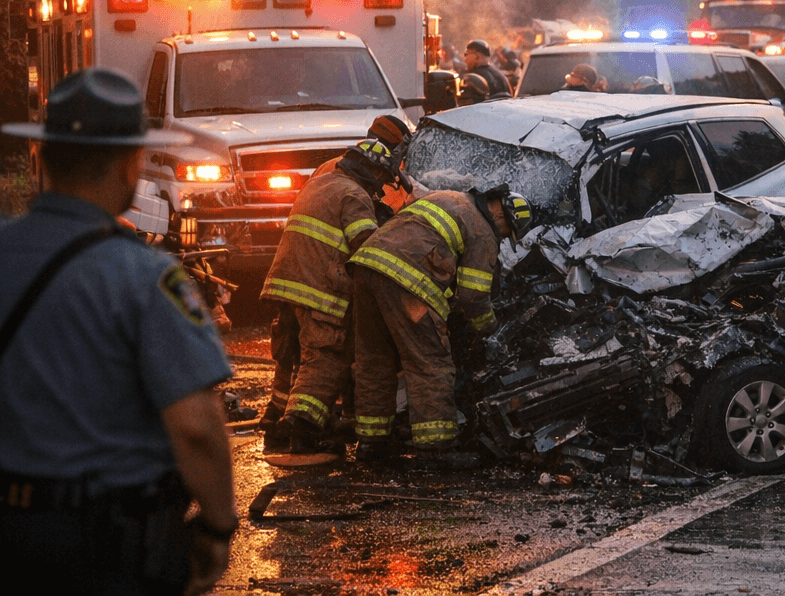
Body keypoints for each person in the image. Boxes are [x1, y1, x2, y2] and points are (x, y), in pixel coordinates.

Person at [0, 69, 237, 594]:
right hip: (104, 546)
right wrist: (219, 526)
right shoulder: (144, 276)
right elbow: (196, 425)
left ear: (42, 157)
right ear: (131, 163)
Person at [347, 186, 532, 465]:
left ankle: (372, 444)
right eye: (507, 234)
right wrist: (489, 330)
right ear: (504, 216)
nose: (503, 238)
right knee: (429, 362)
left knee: (374, 359)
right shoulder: (483, 230)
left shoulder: (448, 198)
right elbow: (473, 296)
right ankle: (436, 449)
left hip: (366, 268)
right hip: (406, 281)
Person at [258, 138, 399, 460]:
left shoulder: (321, 181)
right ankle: (301, 428)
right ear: (373, 170)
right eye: (381, 179)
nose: (381, 187)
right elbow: (367, 247)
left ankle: (280, 421)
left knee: (296, 356)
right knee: (324, 357)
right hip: (319, 289)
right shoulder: (354, 195)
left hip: (286, 283)